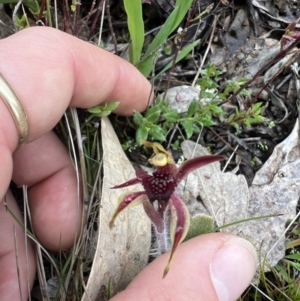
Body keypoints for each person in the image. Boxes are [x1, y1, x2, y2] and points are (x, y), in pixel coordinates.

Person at [0, 27, 257, 301]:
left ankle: (169, 261)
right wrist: (114, 216)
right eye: (156, 162)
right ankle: (166, 261)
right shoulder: (144, 184)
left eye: (163, 163)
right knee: (148, 215)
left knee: (175, 225)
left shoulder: (172, 182)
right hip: (148, 197)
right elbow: (129, 187)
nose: (159, 167)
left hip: (166, 202)